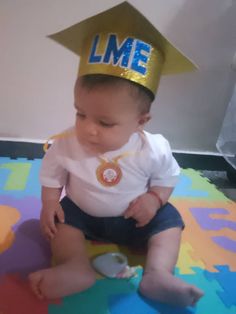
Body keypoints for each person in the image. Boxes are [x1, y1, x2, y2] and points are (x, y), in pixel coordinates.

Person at [29, 2, 204, 306]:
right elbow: (51, 174)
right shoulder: (66, 143)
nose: (88, 129)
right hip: (82, 214)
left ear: (141, 122)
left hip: (134, 217)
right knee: (61, 223)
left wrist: (154, 199)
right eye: (81, 114)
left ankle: (158, 274)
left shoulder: (153, 147)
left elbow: (167, 176)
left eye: (105, 122)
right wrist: (48, 204)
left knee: (170, 220)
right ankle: (75, 267)